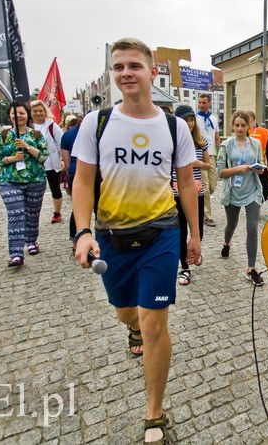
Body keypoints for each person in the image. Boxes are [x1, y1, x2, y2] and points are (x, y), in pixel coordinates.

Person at [72, 37, 201, 444]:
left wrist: (194, 235)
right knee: (127, 314)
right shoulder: (98, 122)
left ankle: (154, 412)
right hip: (112, 237)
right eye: (119, 67)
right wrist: (82, 230)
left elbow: (186, 183)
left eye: (134, 65)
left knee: (154, 323)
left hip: (161, 233)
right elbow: (83, 179)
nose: (126, 72)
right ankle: (130, 327)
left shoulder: (173, 125)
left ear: (152, 72)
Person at [0, 101, 49, 267]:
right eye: (14, 113)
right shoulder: (3, 135)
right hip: (10, 181)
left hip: (35, 180)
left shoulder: (36, 135)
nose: (18, 116)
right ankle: (16, 253)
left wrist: (27, 147)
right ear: (10, 116)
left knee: (32, 213)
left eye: (22, 113)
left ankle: (31, 241)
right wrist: (12, 159)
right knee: (16, 214)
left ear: (27, 115)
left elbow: (43, 156)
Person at [217, 110, 267, 286]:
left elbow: (260, 164)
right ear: (233, 126)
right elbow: (220, 172)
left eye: (243, 125)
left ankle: (251, 269)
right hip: (233, 191)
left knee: (252, 228)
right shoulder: (226, 145)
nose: (239, 128)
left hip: (252, 190)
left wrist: (260, 169)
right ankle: (226, 243)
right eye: (236, 125)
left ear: (249, 126)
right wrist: (238, 169)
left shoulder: (255, 144)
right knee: (232, 224)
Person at [172, 104, 209, 286]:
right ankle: (184, 268)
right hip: (176, 192)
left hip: (196, 190)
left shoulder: (200, 141)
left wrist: (194, 163)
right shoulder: (172, 141)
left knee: (198, 231)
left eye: (192, 119)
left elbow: (208, 164)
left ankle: (194, 250)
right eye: (185, 120)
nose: (189, 123)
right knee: (180, 231)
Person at [30, 99, 65, 223]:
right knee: (34, 190)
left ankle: (57, 212)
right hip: (33, 164)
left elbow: (61, 143)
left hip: (51, 162)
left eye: (41, 111)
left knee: (55, 188)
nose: (38, 113)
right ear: (31, 112)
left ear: (45, 111)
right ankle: (33, 212)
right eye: (35, 111)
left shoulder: (51, 125)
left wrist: (62, 160)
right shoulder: (28, 126)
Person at [196, 93, 220, 227]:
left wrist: (221, 152)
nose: (201, 105)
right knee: (205, 187)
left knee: (212, 184)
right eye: (199, 102)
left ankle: (199, 200)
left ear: (209, 103)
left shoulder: (213, 119)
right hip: (201, 155)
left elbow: (216, 137)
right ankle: (207, 216)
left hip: (212, 155)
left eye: (203, 103)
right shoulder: (194, 118)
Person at [60, 114, 81, 245]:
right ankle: (100, 242)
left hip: (75, 172)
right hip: (97, 173)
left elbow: (66, 162)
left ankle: (75, 243)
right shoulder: (96, 132)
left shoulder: (67, 135)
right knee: (99, 209)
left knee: (78, 209)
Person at [247, 110, 268, 201]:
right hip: (247, 164)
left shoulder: (264, 132)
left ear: (254, 120)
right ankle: (251, 205)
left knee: (266, 188)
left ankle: (258, 203)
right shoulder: (243, 131)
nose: (247, 123)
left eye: (249, 121)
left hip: (261, 164)